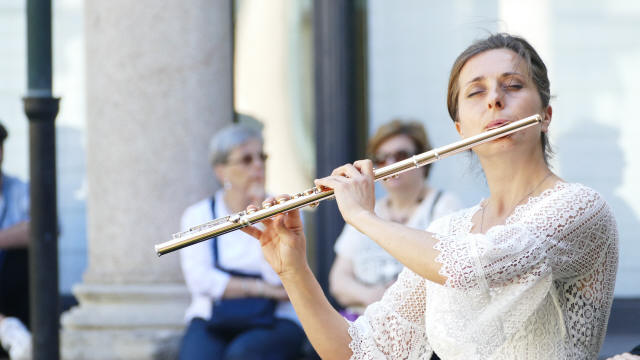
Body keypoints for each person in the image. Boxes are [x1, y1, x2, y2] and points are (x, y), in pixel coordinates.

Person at [242, 33, 619, 359]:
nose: (494, 100)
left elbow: (471, 267)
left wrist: (362, 216)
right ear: (460, 128)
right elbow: (356, 351)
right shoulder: (448, 229)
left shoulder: (579, 208)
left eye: (514, 85)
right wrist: (293, 269)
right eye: (476, 92)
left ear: (545, 115)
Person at [178, 122, 306, 360]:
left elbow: (281, 280)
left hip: (276, 318)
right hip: (214, 315)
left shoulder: (284, 212)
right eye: (246, 159)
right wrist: (262, 290)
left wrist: (263, 219)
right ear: (221, 171)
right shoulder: (198, 216)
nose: (258, 165)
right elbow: (201, 281)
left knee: (244, 354)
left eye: (262, 157)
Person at [329, 120, 461, 320]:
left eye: (401, 156)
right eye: (382, 159)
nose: (391, 165)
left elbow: (447, 272)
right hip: (365, 320)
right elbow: (338, 280)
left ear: (422, 160)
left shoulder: (443, 205)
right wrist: (373, 296)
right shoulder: (365, 210)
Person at [0, 122, 31, 360]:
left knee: (27, 255)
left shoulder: (19, 190)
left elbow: (44, 227)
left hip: (11, 287)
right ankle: (7, 329)